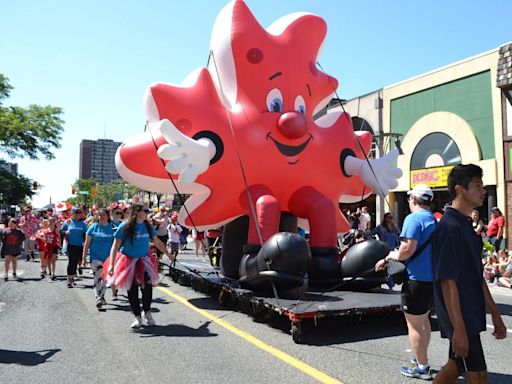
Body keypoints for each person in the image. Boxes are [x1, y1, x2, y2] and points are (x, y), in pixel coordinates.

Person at [432, 164, 507, 384]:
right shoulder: (449, 227)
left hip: (469, 313)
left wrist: (494, 313)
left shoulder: (465, 225)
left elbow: (477, 275)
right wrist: (459, 328)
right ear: (459, 189)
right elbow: (447, 281)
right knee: (478, 375)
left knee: (455, 367)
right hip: (461, 316)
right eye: (477, 185)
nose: (483, 190)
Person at [375, 184, 436, 380]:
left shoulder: (413, 219)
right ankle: (421, 359)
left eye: (410, 198)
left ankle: (422, 367)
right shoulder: (434, 220)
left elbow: (406, 250)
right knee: (424, 322)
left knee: (414, 326)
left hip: (415, 279)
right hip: (432, 279)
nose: (409, 201)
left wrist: (389, 256)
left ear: (414, 200)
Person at [107, 204, 175, 328]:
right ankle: (137, 317)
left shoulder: (147, 226)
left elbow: (157, 241)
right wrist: (111, 264)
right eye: (143, 211)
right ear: (136, 212)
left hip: (144, 261)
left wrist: (168, 254)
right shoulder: (125, 226)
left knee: (147, 289)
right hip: (128, 261)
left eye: (146, 211)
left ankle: (147, 313)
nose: (145, 213)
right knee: (132, 290)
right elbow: (115, 246)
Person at [82, 208, 115, 309]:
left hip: (108, 258)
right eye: (99, 215)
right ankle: (98, 297)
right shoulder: (93, 227)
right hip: (95, 257)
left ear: (108, 216)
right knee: (97, 277)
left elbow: (117, 243)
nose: (101, 216)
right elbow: (87, 244)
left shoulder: (113, 227)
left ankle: (101, 296)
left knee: (105, 279)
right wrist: (84, 257)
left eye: (103, 214)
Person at [61, 207, 88, 288]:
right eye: (77, 213)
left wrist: (85, 243)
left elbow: (85, 234)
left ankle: (73, 277)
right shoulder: (68, 222)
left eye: (80, 213)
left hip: (80, 245)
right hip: (71, 245)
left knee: (76, 261)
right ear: (73, 214)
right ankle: (69, 279)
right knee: (71, 262)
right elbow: (61, 232)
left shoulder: (83, 224)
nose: (79, 215)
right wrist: (65, 233)